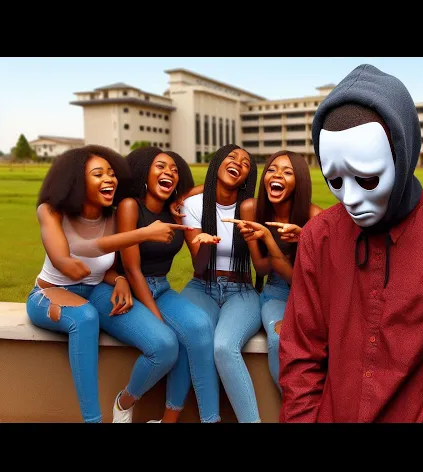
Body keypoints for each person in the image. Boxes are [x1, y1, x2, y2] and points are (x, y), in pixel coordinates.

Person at [277, 64, 423, 423]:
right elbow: (300, 357)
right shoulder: (318, 237)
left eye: (367, 179)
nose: (350, 199)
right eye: (335, 181)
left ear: (402, 154)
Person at [26, 145, 190, 423]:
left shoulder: (113, 217)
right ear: (76, 180)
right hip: (51, 293)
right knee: (85, 317)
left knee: (165, 345)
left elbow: (104, 269)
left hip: (97, 293)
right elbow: (69, 259)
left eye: (112, 174)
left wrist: (120, 278)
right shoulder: (51, 212)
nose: (109, 179)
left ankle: (123, 403)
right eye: (98, 174)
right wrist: (142, 233)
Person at [89, 146, 221, 423]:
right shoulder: (130, 206)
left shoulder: (175, 211)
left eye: (174, 170)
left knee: (199, 326)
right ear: (144, 174)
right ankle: (124, 402)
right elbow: (133, 268)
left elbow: (206, 189)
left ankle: (170, 420)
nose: (169, 172)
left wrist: (185, 201)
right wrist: (157, 318)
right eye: (161, 167)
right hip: (124, 288)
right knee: (165, 343)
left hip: (161, 288)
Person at [176, 144, 263, 423]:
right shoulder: (194, 206)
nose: (238, 162)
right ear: (217, 163)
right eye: (232, 157)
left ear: (247, 177)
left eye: (246, 163)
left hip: (242, 290)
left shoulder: (252, 209)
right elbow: (199, 266)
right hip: (202, 285)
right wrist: (203, 245)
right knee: (196, 339)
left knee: (224, 347)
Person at [225, 150, 322, 389]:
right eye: (272, 169)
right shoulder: (250, 208)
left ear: (299, 181)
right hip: (275, 294)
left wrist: (304, 239)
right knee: (279, 338)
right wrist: (270, 241)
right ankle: (290, 403)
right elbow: (260, 267)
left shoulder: (314, 216)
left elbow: (305, 280)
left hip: (310, 295)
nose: (277, 175)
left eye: (287, 172)